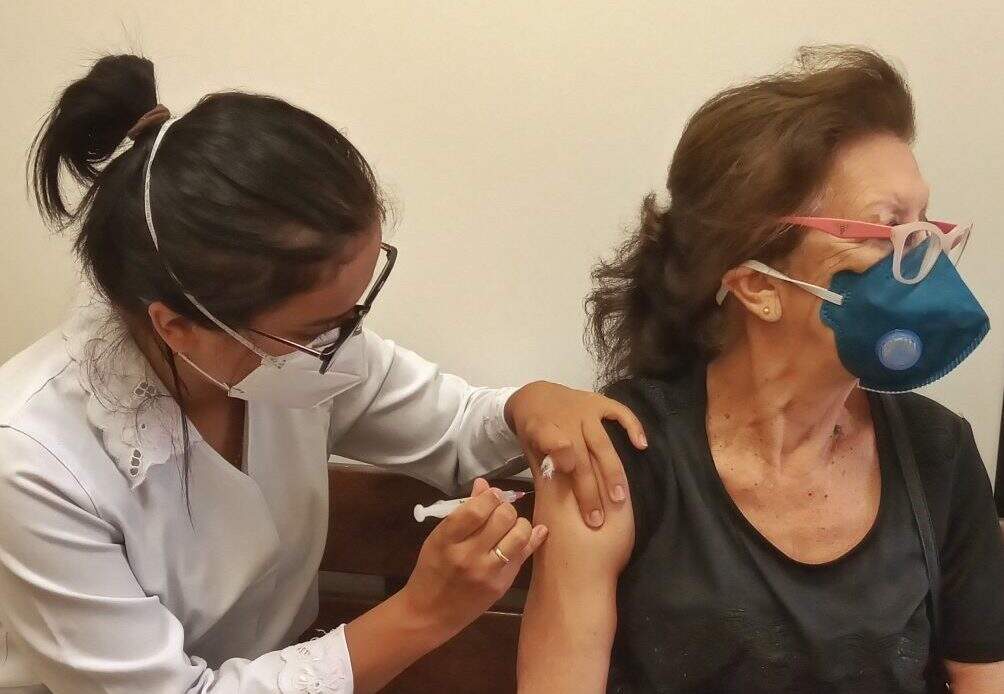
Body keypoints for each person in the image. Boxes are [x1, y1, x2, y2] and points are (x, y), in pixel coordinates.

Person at [0, 54, 647, 693]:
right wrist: (422, 613)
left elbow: (450, 423)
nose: (345, 343)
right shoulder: (33, 461)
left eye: (354, 311)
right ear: (178, 327)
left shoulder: (290, 350)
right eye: (319, 327)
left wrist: (526, 405)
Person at [517, 47, 1004, 694]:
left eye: (923, 226)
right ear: (758, 287)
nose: (923, 258)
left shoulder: (938, 452)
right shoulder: (616, 459)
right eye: (885, 228)